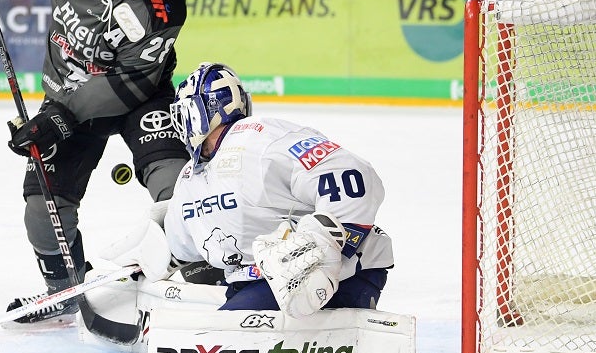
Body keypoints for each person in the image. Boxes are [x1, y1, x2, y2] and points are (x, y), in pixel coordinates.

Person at [0, 0, 190, 324]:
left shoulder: (167, 3)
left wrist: (60, 117)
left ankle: (193, 278)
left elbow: (126, 84)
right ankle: (63, 290)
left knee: (177, 190)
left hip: (142, 98)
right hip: (67, 95)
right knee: (42, 213)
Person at [104, 62, 394, 319]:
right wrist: (140, 261)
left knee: (217, 342)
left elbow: (353, 176)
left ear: (199, 111)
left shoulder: (262, 138)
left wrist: (326, 244)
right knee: (215, 329)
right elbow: (183, 245)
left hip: (342, 274)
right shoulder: (192, 175)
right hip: (257, 284)